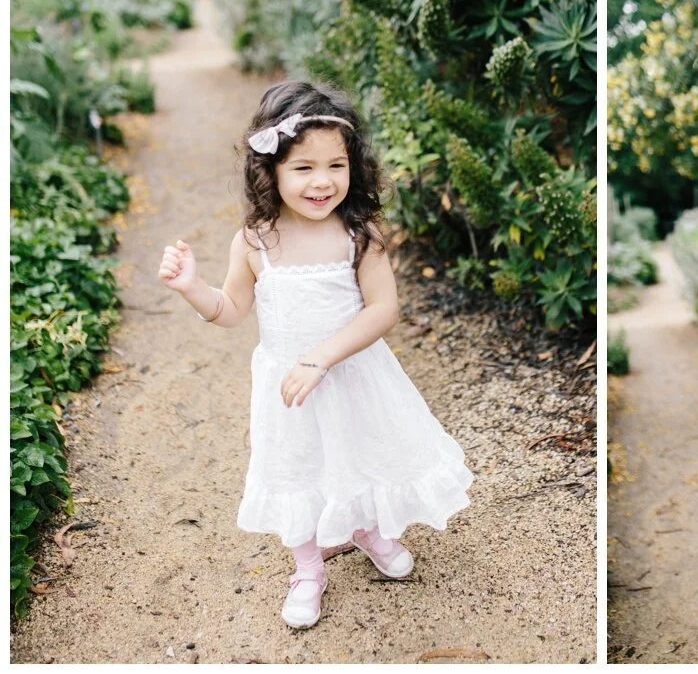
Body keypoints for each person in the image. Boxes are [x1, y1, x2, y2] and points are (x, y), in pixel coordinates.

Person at [157, 80, 473, 630]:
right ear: (271, 172)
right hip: (289, 387)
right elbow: (232, 309)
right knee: (298, 469)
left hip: (350, 372)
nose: (322, 181)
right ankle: (308, 569)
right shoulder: (255, 241)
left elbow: (382, 310)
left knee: (362, 451)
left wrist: (322, 357)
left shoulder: (358, 234)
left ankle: (365, 529)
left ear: (355, 168)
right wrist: (191, 287)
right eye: (303, 168)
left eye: (336, 165)